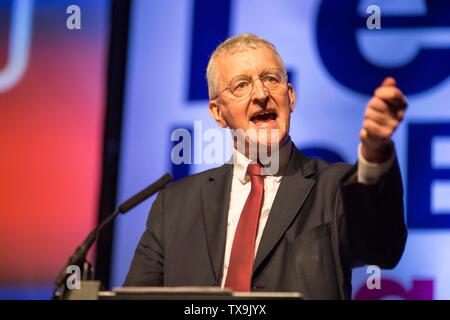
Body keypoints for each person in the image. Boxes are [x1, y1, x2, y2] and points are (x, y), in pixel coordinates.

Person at [124, 34, 407, 299]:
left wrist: (374, 153)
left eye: (270, 79)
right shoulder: (174, 204)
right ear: (217, 113)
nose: (261, 94)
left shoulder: (333, 188)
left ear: (291, 96)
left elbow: (381, 247)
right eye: (241, 85)